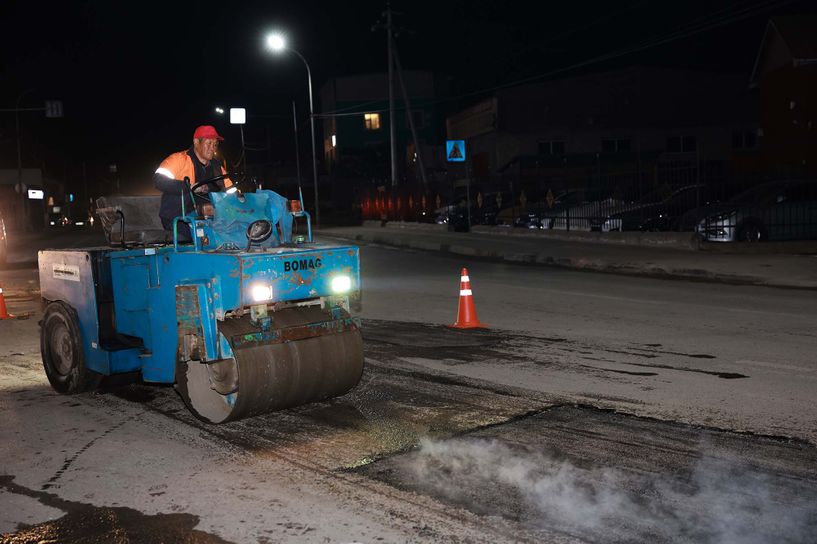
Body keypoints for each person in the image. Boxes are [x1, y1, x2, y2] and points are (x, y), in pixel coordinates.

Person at [153, 125, 234, 237]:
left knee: (235, 229)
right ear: (196, 142)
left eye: (215, 144)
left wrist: (240, 199)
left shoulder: (217, 166)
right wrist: (188, 187)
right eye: (209, 143)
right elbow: (159, 180)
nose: (213, 148)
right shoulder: (178, 160)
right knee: (207, 236)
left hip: (208, 217)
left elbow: (231, 191)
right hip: (179, 218)